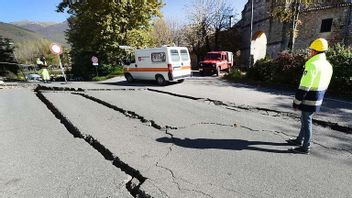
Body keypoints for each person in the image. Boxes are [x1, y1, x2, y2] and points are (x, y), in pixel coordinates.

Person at [288, 38, 333, 154]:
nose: (310, 52)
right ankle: (299, 140)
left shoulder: (313, 64)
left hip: (309, 98)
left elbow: (304, 86)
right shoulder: (328, 65)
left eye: (311, 50)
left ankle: (305, 147)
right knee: (305, 119)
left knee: (306, 121)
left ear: (315, 51)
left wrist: (296, 102)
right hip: (318, 97)